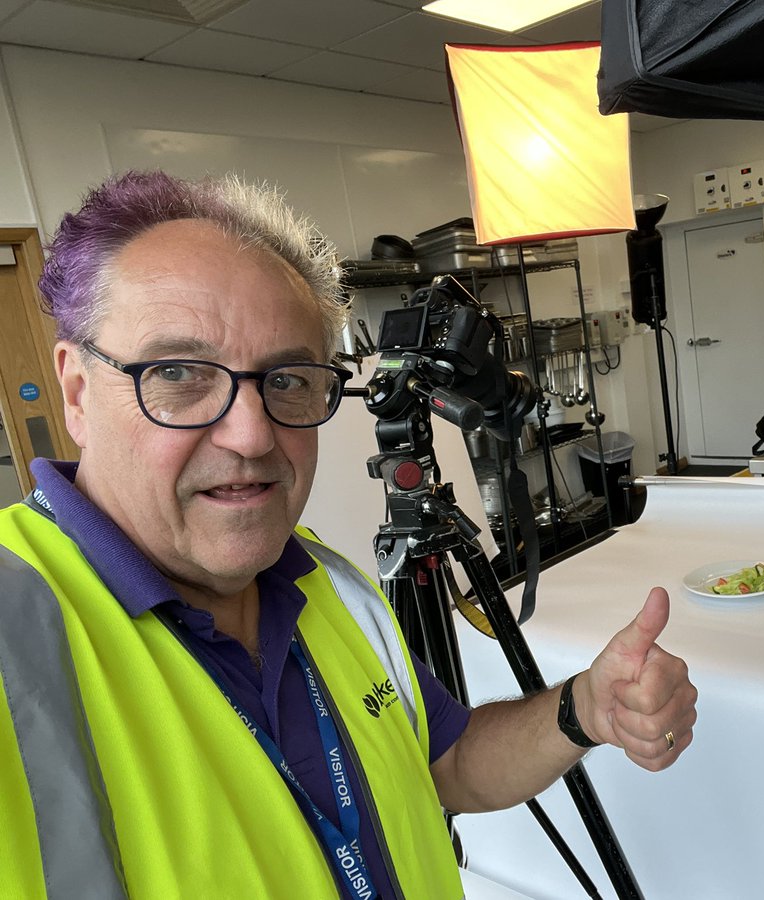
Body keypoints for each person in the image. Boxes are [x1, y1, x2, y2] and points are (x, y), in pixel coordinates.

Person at [0, 171, 698, 899]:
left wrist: (583, 707)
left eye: (288, 378)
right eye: (179, 372)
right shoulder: (15, 632)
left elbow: (445, 764)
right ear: (77, 391)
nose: (250, 434)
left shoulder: (326, 583)